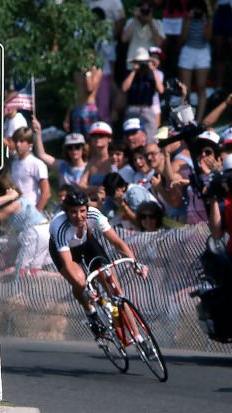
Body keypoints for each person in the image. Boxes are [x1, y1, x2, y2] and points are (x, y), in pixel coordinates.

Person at [48, 190, 146, 337]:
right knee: (80, 283)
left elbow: (117, 242)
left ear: (87, 209)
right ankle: (90, 311)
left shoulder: (94, 214)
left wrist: (135, 263)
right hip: (65, 252)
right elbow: (68, 263)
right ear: (66, 212)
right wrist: (86, 289)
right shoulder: (59, 226)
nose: (79, 216)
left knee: (115, 290)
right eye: (73, 212)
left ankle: (139, 339)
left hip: (87, 243)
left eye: (82, 211)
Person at [177, 0, 212, 119]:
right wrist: (187, 19)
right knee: (185, 88)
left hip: (202, 52)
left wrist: (204, 23)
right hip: (188, 51)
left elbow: (208, 38)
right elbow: (182, 38)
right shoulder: (186, 19)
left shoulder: (207, 20)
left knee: (201, 86)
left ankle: (199, 118)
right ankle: (187, 119)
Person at [8, 126, 51, 212]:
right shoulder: (14, 164)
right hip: (16, 211)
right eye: (16, 141)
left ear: (30, 144)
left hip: (31, 209)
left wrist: (36, 213)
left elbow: (46, 193)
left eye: (22, 141)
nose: (18, 144)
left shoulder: (37, 163)